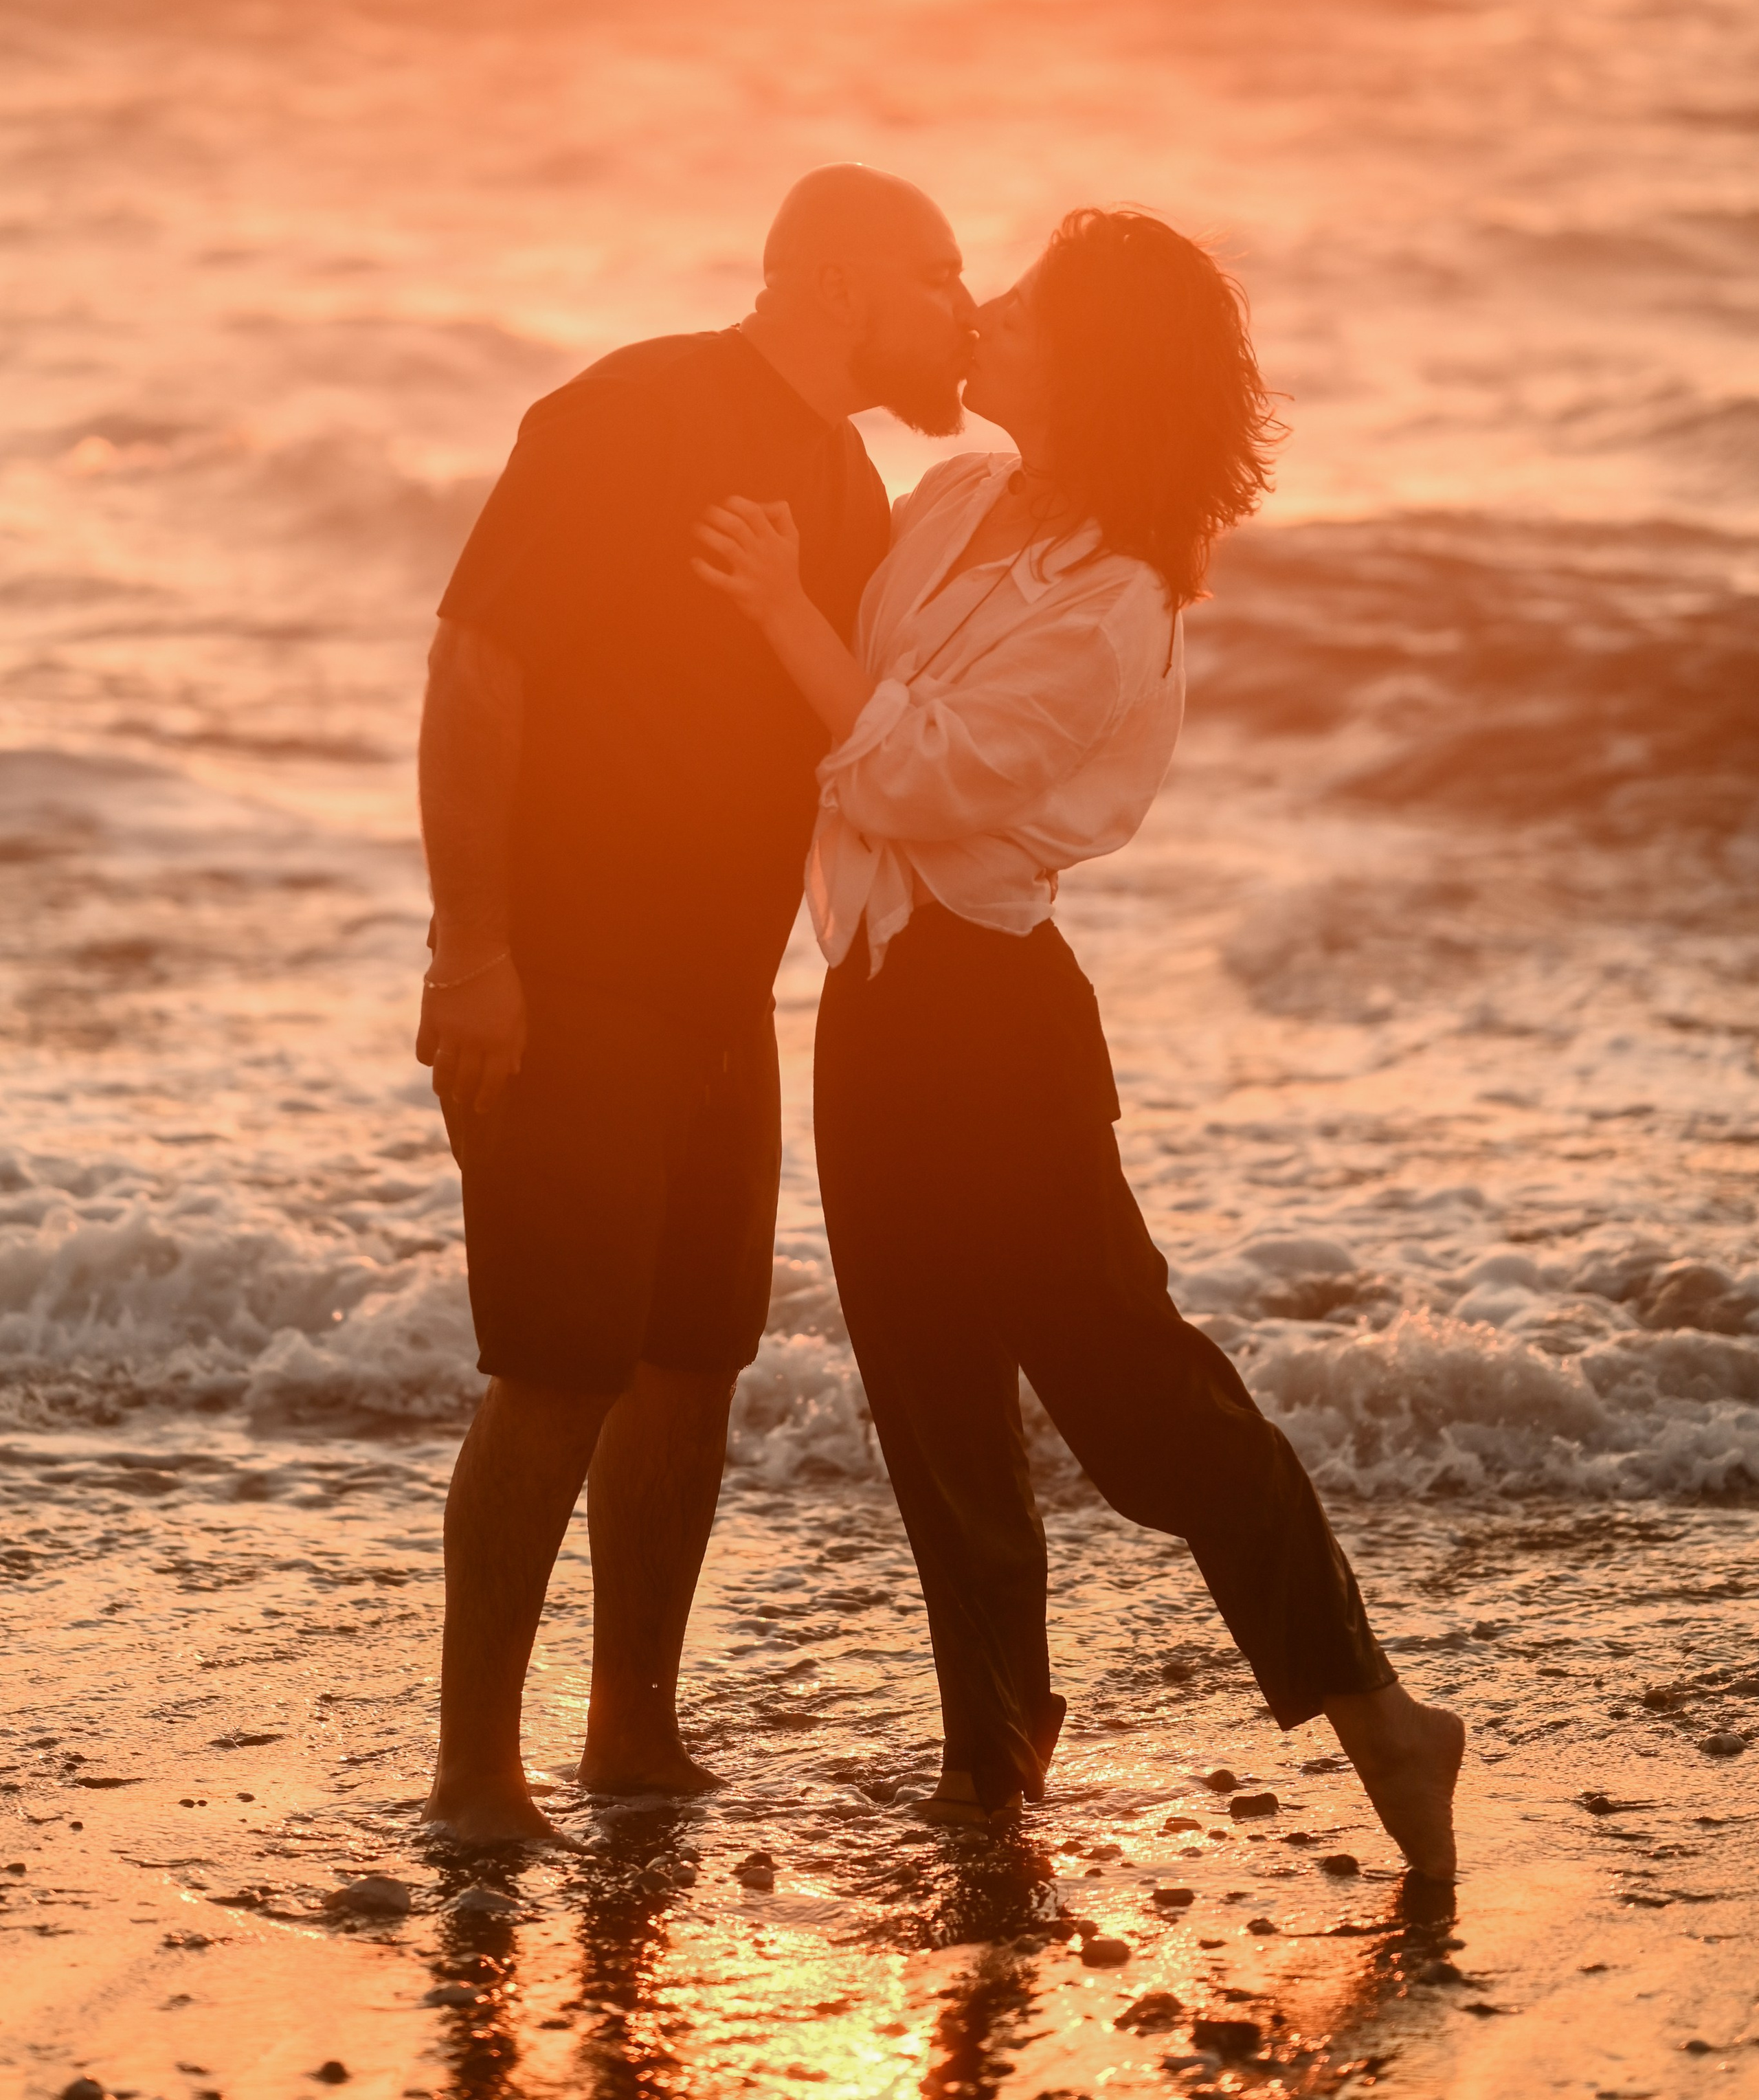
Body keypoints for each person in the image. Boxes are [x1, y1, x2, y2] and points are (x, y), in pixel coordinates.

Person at [693, 205, 1466, 1879]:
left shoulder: (1116, 602)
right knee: (928, 1404)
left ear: (1095, 367)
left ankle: (1380, 1714)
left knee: (1133, 1401)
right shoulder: (959, 498)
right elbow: (851, 694)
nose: (985, 311)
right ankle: (992, 1765)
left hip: (998, 1024)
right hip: (876, 1002)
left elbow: (914, 775)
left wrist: (773, 612)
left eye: (1028, 306)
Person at [416, 164, 976, 1842]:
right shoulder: (632, 410)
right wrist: (471, 952)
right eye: (939, 276)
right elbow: (476, 666)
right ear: (838, 283)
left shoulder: (847, 480)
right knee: (555, 1372)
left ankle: (631, 1734)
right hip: (568, 980)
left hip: (728, 1001)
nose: (959, 309)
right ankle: (473, 1770)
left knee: (690, 1368)